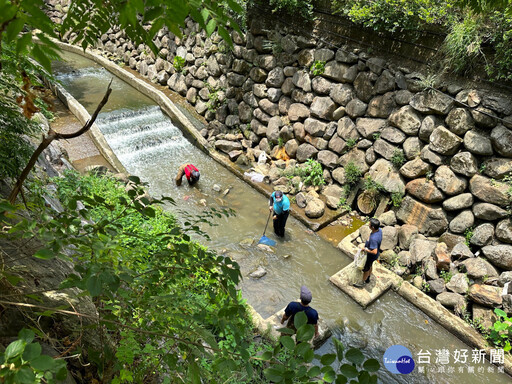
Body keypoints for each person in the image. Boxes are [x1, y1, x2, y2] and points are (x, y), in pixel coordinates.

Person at [356, 218, 382, 287]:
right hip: (375, 256)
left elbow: (374, 251)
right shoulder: (379, 230)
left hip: (370, 256)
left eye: (369, 224)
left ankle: (362, 282)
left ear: (372, 227)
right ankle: (368, 278)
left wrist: (365, 249)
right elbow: (371, 236)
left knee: (366, 269)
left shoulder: (374, 239)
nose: (368, 224)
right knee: (370, 266)